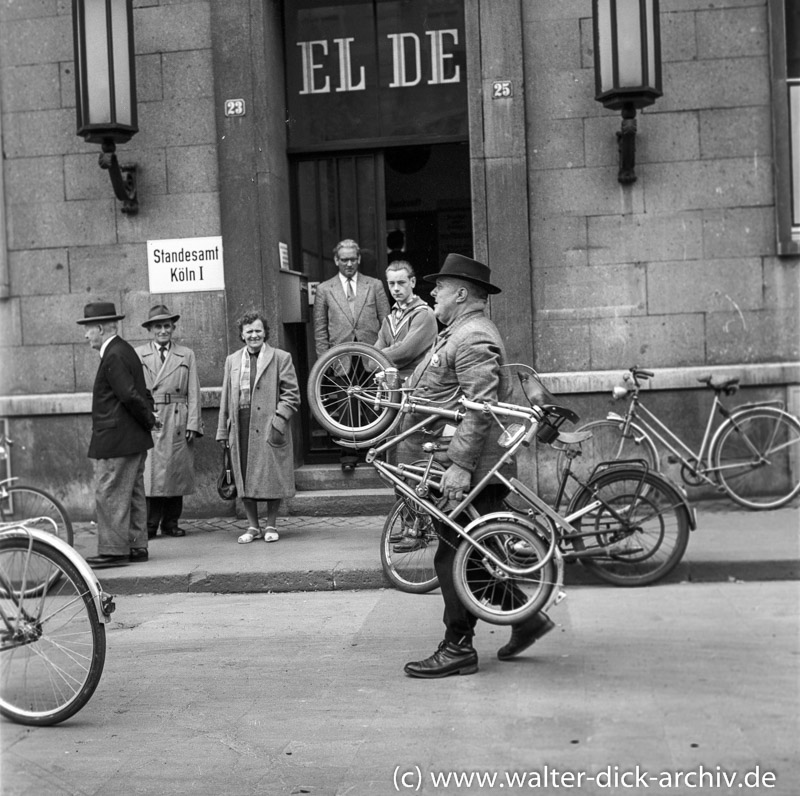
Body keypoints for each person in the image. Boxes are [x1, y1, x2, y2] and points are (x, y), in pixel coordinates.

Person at [397, 254, 554, 678]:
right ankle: (526, 619)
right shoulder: (460, 333)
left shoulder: (471, 336)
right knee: (476, 553)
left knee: (453, 559)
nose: (433, 293)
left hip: (475, 471)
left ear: (461, 293)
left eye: (440, 287)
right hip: (468, 466)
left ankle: (458, 647)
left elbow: (479, 407)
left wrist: (460, 466)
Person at [78, 302, 157, 569]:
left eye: (88, 329)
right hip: (131, 438)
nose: (85, 335)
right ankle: (136, 546)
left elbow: (129, 396)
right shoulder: (124, 349)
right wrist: (148, 422)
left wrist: (149, 420)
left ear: (100, 328)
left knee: (109, 492)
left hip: (116, 441)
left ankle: (114, 551)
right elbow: (140, 393)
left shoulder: (112, 354)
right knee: (132, 493)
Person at [216, 311, 300, 543]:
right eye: (249, 331)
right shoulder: (232, 360)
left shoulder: (281, 357)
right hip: (240, 423)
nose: (254, 335)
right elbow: (226, 396)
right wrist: (223, 430)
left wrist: (279, 421)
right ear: (242, 335)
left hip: (269, 425)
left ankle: (271, 524)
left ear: (266, 333)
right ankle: (253, 526)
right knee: (243, 476)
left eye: (258, 331)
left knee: (271, 475)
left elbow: (292, 395)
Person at [313, 238, 390, 470]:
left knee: (374, 403)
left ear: (359, 260)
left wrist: (384, 354)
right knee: (347, 402)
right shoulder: (325, 289)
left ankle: (375, 453)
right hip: (340, 356)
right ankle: (348, 455)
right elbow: (320, 328)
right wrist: (324, 361)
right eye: (344, 259)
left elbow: (387, 321)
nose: (349, 264)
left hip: (371, 353)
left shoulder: (374, 285)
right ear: (336, 260)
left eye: (352, 259)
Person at [136, 304, 203, 539]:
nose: (163, 331)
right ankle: (150, 524)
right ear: (150, 330)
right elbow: (135, 390)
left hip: (177, 418)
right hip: (152, 416)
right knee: (152, 474)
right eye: (158, 326)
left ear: (173, 328)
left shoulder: (186, 354)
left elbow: (193, 391)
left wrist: (193, 423)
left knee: (177, 471)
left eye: (166, 326)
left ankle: (171, 523)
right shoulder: (139, 354)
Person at [374, 260, 437, 381]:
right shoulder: (389, 319)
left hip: (417, 385)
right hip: (392, 387)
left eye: (401, 283)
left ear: (412, 282)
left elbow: (404, 352)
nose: (396, 288)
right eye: (391, 283)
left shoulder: (424, 314)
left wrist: (381, 357)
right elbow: (371, 362)